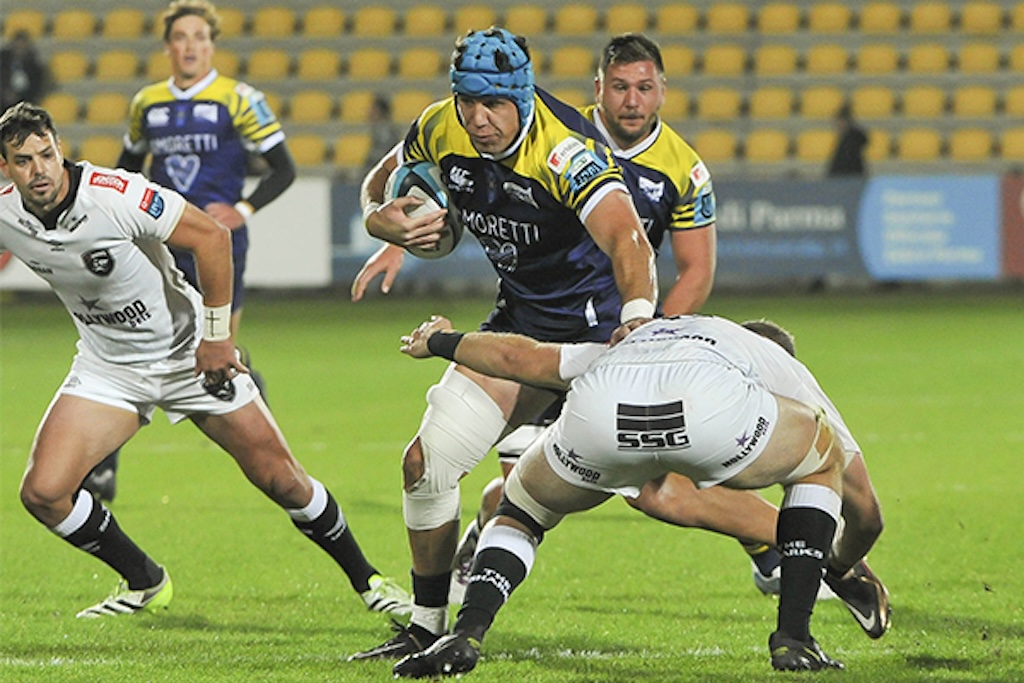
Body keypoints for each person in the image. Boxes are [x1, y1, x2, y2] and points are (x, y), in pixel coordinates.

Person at [0, 102, 409, 620]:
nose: (39, 170)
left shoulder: (115, 195)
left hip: (190, 354)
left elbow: (212, 238)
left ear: (61, 149)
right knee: (44, 492)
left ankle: (369, 580)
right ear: (7, 168)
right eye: (23, 160)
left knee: (283, 481)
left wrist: (216, 338)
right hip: (110, 366)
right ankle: (146, 581)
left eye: (46, 154)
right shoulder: (5, 210)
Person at [347, 27, 659, 661]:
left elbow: (629, 240)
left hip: (597, 346)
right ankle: (427, 624)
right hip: (518, 331)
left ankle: (818, 552)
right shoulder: (443, 125)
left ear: (522, 96)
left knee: (672, 499)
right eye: (467, 101)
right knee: (425, 464)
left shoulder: (565, 152)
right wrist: (386, 223)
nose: (478, 119)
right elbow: (381, 185)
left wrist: (638, 318)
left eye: (494, 105)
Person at [391, 313, 890, 676]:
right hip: (708, 414)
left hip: (603, 411)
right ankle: (794, 640)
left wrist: (440, 341)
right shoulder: (775, 363)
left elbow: (515, 357)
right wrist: (840, 564)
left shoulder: (648, 332)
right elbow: (865, 510)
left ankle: (468, 631)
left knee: (521, 507)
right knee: (821, 459)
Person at [84, 0, 297, 502]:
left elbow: (282, 168)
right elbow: (126, 170)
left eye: (199, 37)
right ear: (168, 47)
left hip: (219, 246)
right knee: (131, 342)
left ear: (211, 44)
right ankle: (102, 467)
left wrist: (242, 209)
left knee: (219, 349)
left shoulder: (239, 98)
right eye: (181, 38)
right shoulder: (147, 104)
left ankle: (257, 420)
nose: (189, 47)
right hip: (157, 245)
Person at [0, 30, 50, 112]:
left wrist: (20, 96)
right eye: (18, 44)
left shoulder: (34, 66)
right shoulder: (3, 62)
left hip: (26, 102)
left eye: (22, 45)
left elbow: (37, 86)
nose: (20, 47)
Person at [826, 104, 868, 177]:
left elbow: (843, 164)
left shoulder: (850, 141)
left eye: (838, 122)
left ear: (844, 122)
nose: (837, 126)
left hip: (848, 179)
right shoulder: (848, 139)